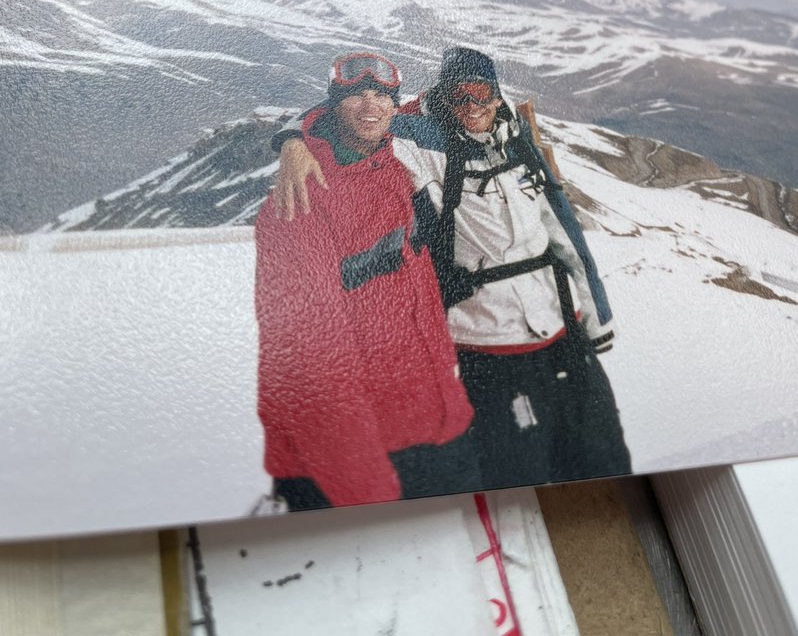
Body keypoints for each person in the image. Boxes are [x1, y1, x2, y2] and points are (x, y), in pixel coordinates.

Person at [273, 46, 632, 491]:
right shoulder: (423, 143)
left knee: (603, 458)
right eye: (461, 96)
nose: (473, 106)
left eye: (482, 94)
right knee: (518, 474)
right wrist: (291, 140)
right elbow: (353, 115)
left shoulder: (517, 139)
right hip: (484, 347)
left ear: (498, 96)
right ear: (445, 97)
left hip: (563, 329)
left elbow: (564, 231)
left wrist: (598, 314)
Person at [255, 51, 476, 511]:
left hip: (430, 425)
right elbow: (309, 364)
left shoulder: (391, 167)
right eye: (356, 94)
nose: (371, 105)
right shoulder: (300, 198)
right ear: (334, 104)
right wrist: (367, 489)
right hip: (354, 463)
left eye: (382, 94)